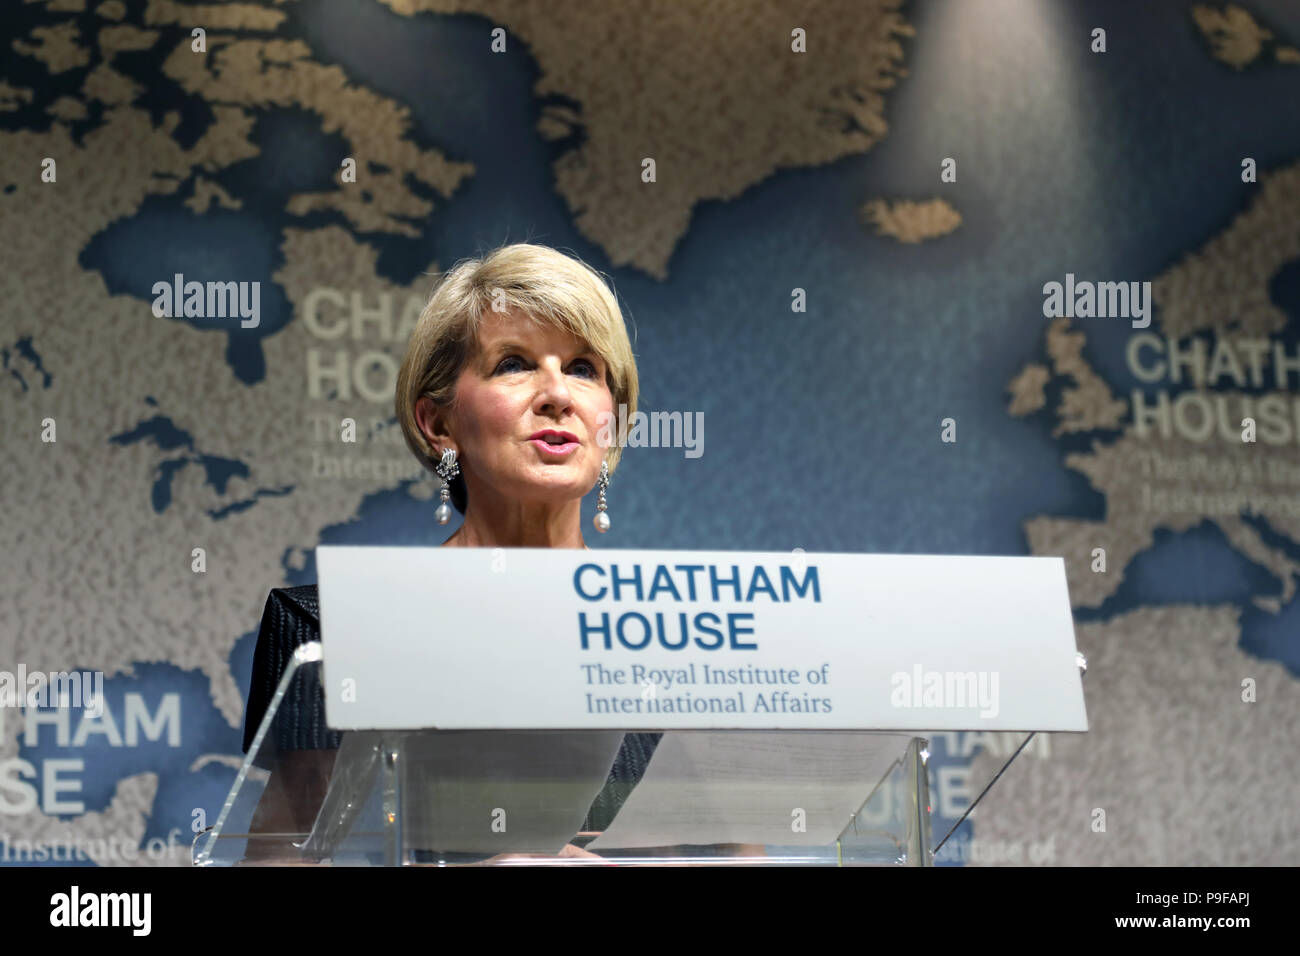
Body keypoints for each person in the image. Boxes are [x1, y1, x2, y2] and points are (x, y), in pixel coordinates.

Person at [241, 242, 655, 862]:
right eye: (513, 363)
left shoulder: (671, 630)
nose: (556, 394)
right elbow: (281, 863)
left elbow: (743, 857)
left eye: (583, 368)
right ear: (438, 423)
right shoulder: (338, 628)